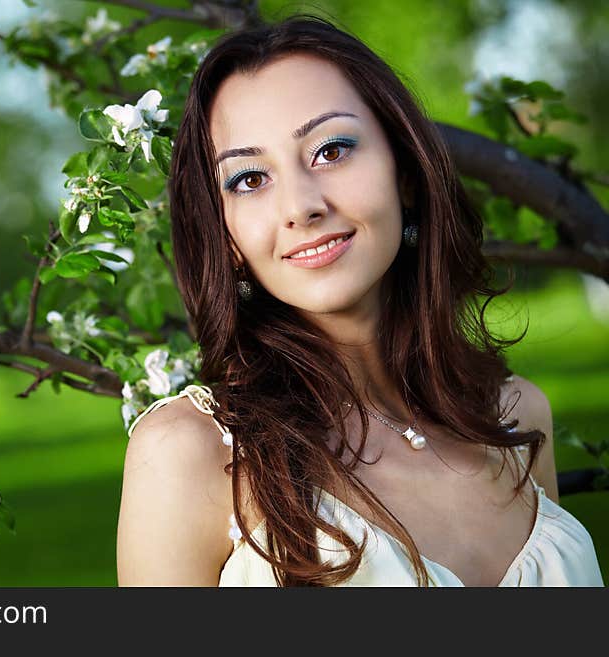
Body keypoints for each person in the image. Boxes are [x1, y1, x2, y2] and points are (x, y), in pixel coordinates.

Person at [116, 15, 604, 586]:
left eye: (331, 149)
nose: (301, 205)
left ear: (405, 173)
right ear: (226, 239)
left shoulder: (515, 418)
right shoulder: (191, 456)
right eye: (249, 179)